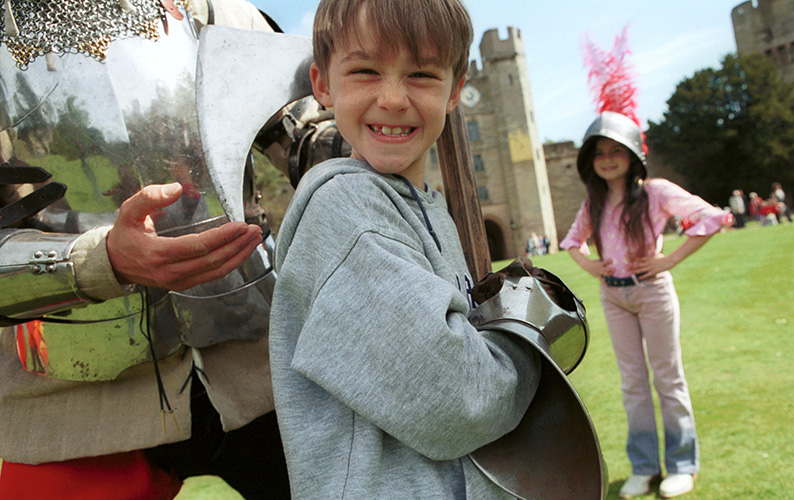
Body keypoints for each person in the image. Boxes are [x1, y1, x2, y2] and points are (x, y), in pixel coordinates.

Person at [0, 0, 343, 498]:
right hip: (72, 404)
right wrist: (103, 262)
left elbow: (304, 129)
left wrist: (369, 135)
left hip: (267, 364)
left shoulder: (213, 8)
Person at [268, 0, 544, 498]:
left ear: (454, 90)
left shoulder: (431, 209)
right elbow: (459, 401)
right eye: (366, 70)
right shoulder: (346, 211)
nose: (393, 98)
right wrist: (531, 345)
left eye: (421, 74)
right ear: (323, 83)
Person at [560, 111, 732, 499]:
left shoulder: (656, 192)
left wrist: (668, 259)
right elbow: (572, 241)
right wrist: (590, 265)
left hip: (652, 291)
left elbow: (711, 218)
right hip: (614, 296)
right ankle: (644, 467)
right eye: (599, 152)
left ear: (633, 154)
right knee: (632, 384)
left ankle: (683, 466)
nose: (607, 158)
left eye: (615, 150)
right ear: (590, 161)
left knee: (668, 378)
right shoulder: (594, 203)